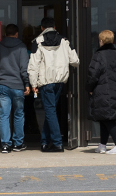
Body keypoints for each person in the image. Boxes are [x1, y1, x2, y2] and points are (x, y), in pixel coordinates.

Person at [25, 21, 80, 152]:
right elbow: (75, 61)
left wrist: (33, 83)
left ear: (42, 28)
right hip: (60, 81)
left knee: (50, 112)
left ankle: (57, 143)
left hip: (45, 82)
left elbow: (33, 66)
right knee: (51, 112)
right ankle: (44, 141)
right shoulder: (65, 41)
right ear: (55, 27)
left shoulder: (37, 42)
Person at [0, 24, 32, 153]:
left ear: (5, 33)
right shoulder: (21, 47)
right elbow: (24, 68)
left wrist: (0, 81)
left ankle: (5, 145)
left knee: (4, 115)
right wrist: (27, 83)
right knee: (18, 115)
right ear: (17, 34)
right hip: (18, 86)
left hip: (3, 86)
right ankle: (18, 144)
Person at [86, 29, 116, 154]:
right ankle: (102, 145)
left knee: (108, 119)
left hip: (103, 91)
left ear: (101, 41)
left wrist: (89, 89)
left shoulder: (99, 56)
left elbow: (92, 75)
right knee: (104, 117)